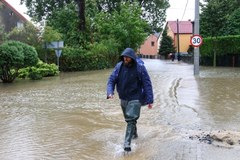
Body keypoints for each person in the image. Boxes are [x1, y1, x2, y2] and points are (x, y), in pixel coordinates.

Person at [106, 48, 154, 152]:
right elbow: (111, 80)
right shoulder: (119, 66)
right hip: (123, 97)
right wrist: (110, 92)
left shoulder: (140, 68)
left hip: (135, 97)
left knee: (131, 119)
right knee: (129, 119)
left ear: (132, 58)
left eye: (127, 57)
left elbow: (147, 83)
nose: (125, 58)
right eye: (124, 57)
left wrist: (150, 100)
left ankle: (126, 144)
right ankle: (135, 134)